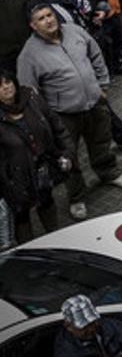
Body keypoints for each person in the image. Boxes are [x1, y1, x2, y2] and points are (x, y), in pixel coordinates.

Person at [17, 2, 122, 220]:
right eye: (41, 19)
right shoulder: (28, 55)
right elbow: (29, 93)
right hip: (63, 114)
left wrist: (103, 84)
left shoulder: (74, 31)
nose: (48, 20)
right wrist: (47, 118)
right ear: (33, 26)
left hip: (95, 102)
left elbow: (95, 54)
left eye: (49, 15)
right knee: (69, 156)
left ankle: (109, 173)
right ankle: (76, 196)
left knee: (101, 141)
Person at [0, 69, 70, 242]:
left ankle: (55, 238)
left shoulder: (32, 99)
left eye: (7, 82)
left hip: (42, 167)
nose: (6, 88)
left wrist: (67, 152)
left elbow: (56, 126)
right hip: (15, 179)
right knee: (21, 214)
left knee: (46, 200)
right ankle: (29, 249)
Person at [56, 294, 122, 356]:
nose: (91, 329)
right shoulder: (66, 352)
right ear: (68, 326)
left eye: (93, 322)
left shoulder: (111, 326)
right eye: (84, 327)